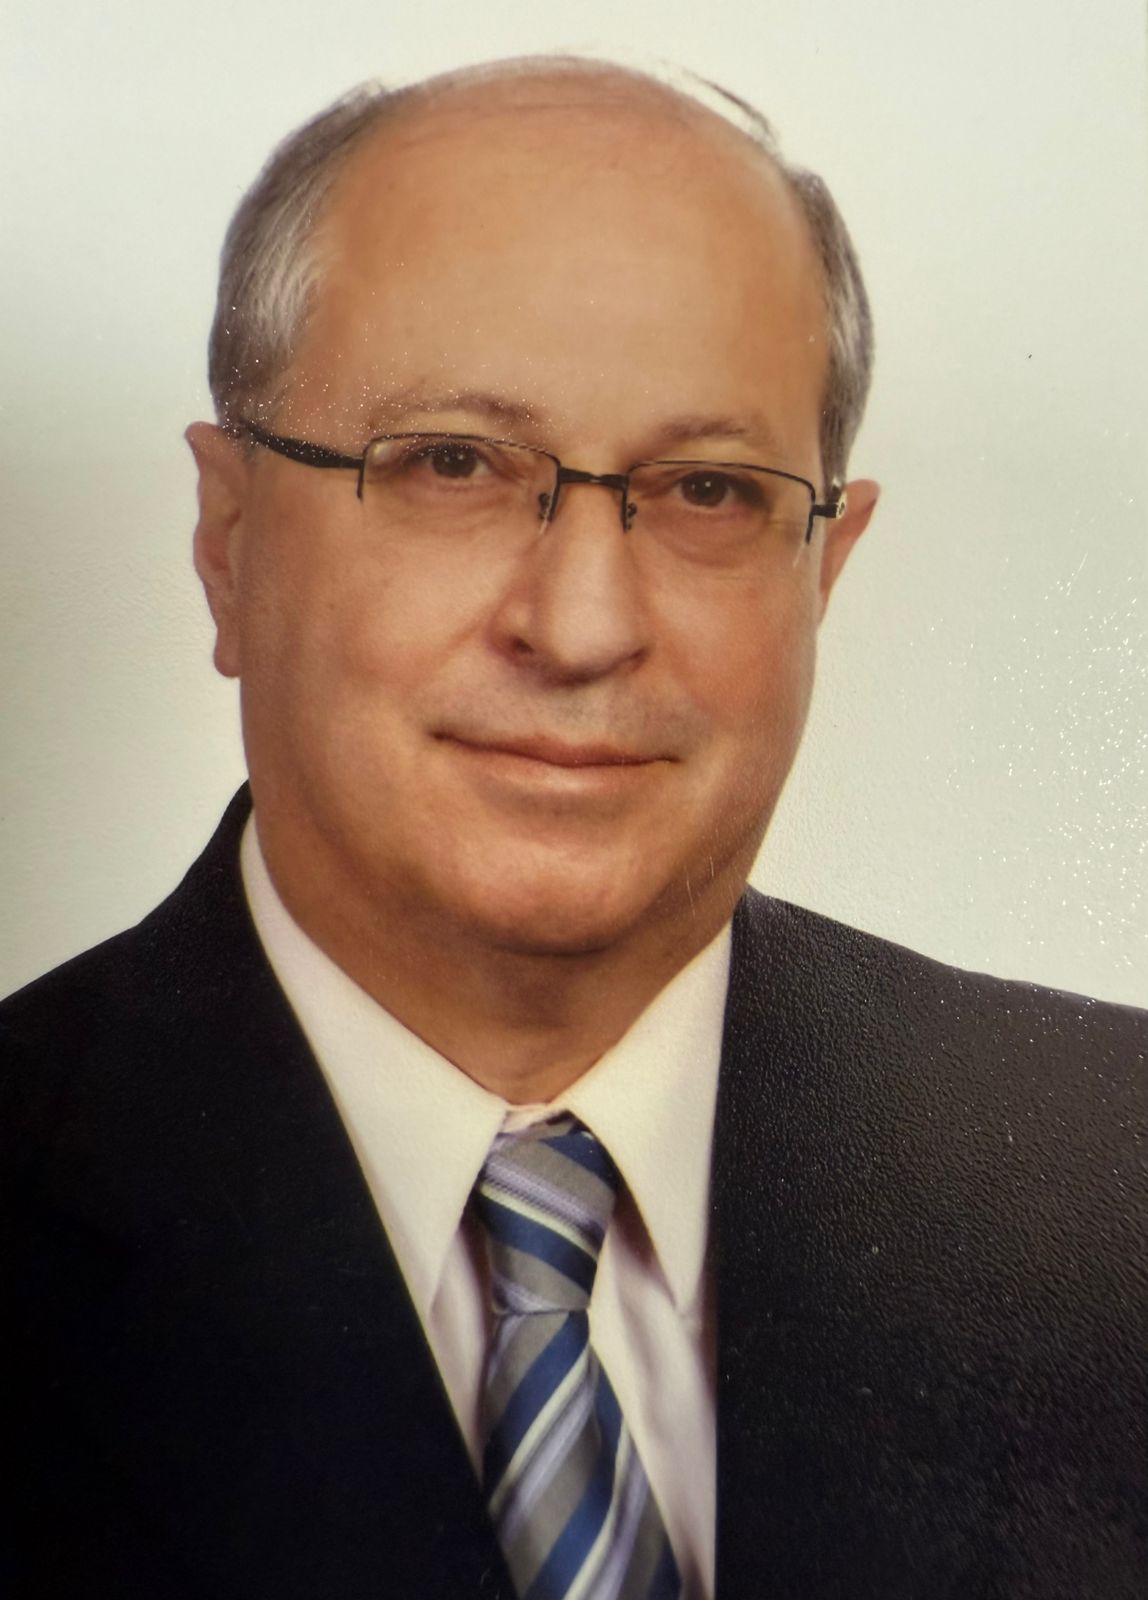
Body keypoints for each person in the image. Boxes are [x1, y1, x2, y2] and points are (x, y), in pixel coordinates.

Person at [2, 55, 1143, 1600]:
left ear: (825, 569)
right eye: (451, 465)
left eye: (711, 491)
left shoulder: (1114, 1181)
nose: (584, 625)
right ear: (228, 536)